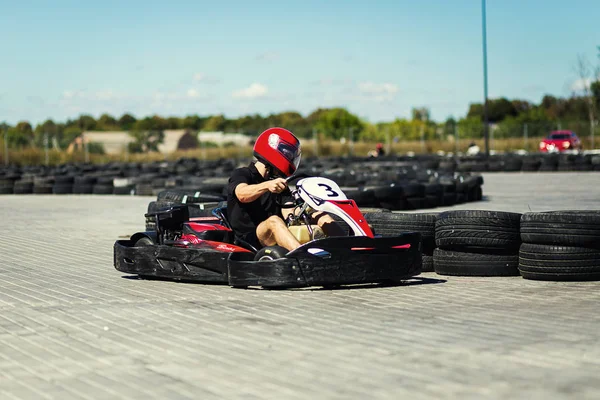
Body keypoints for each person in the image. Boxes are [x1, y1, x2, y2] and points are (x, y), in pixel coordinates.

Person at [227, 127, 344, 252]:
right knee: (274, 221)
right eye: (288, 154)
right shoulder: (242, 174)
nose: (291, 158)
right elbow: (241, 194)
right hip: (249, 238)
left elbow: (289, 211)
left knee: (318, 215)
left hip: (276, 231)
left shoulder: (279, 183)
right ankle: (305, 257)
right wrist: (267, 185)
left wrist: (306, 213)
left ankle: (347, 250)